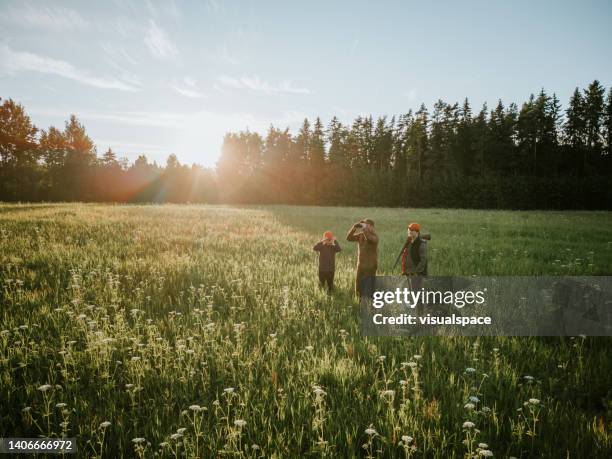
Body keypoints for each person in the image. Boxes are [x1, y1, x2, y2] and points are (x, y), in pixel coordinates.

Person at [346, 219, 379, 298]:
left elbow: (370, 239)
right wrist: (354, 228)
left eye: (367, 225)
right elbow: (349, 238)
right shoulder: (361, 235)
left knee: (369, 286)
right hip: (361, 265)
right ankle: (359, 301)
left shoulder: (375, 236)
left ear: (371, 227)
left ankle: (370, 302)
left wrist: (364, 229)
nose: (365, 226)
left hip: (371, 266)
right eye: (364, 224)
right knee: (358, 285)